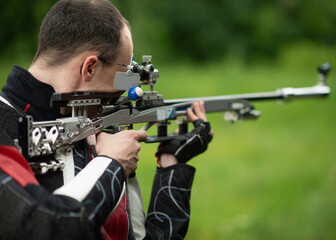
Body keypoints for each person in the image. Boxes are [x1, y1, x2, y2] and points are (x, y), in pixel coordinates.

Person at [0, 0, 213, 239]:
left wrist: (172, 162)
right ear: (89, 68)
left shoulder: (92, 131)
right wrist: (111, 163)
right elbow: (45, 228)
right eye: (115, 90)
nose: (112, 104)